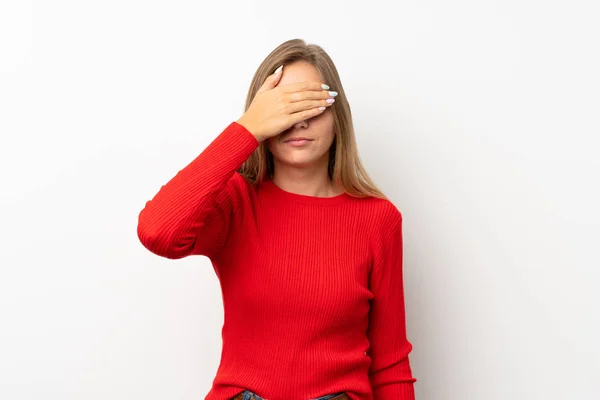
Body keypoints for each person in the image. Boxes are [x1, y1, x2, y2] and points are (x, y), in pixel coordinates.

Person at [137, 39, 417, 400]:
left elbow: (390, 365)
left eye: (314, 104)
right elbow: (157, 231)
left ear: (338, 117)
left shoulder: (378, 219)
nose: (298, 120)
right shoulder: (235, 204)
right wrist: (247, 129)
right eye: (284, 107)